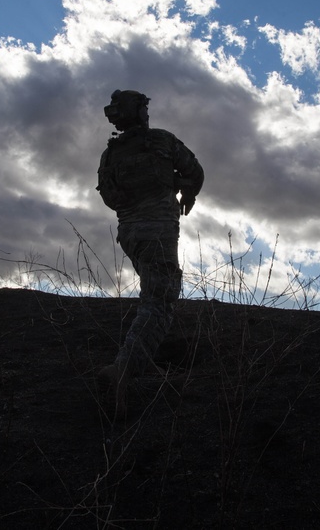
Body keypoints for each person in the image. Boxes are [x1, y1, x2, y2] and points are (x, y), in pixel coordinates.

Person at [95, 89, 203, 417]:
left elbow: (109, 196)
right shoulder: (162, 141)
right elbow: (194, 172)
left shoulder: (111, 153)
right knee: (159, 303)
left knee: (153, 296)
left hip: (130, 234)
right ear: (142, 111)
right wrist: (184, 191)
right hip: (157, 231)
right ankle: (122, 371)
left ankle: (131, 364)